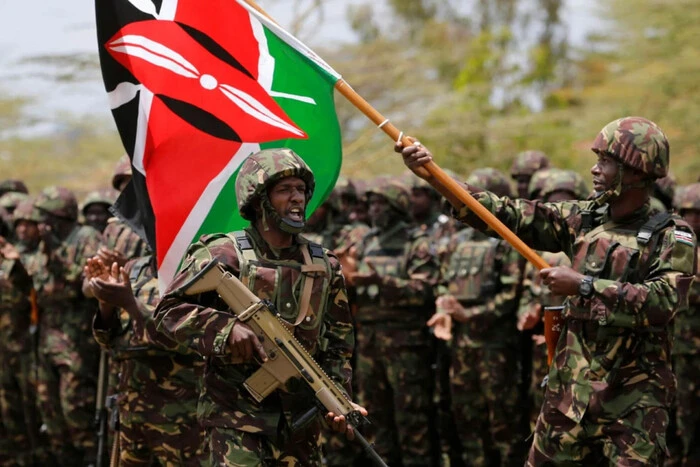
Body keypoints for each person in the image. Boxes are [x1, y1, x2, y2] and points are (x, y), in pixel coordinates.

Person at [398, 116, 697, 465]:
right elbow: (507, 213)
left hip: (634, 405)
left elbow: (665, 301)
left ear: (634, 170)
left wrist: (583, 285)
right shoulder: (584, 218)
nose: (594, 169)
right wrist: (435, 177)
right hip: (570, 396)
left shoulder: (671, 235)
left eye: (605, 161)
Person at [154, 148, 362, 466]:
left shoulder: (324, 264)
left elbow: (338, 345)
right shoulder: (223, 253)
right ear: (259, 200)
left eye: (301, 189)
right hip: (235, 420)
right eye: (284, 190)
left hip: (300, 426)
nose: (297, 198)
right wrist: (226, 329)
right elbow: (168, 312)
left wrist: (339, 399)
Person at [428, 168, 521, 466]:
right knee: (467, 421)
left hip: (495, 350)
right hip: (460, 348)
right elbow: (443, 282)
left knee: (503, 423)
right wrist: (444, 307)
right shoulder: (456, 243)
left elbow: (510, 296)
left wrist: (469, 315)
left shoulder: (507, 241)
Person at [347, 178, 441, 466]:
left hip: (405, 344)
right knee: (374, 416)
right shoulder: (366, 242)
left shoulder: (416, 243)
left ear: (397, 207)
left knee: (412, 417)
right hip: (369, 342)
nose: (374, 209)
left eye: (381, 204)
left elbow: (424, 290)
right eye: (371, 204)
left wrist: (382, 282)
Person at [85, 253, 207, 465]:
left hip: (181, 416)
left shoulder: (196, 269)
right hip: (133, 410)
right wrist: (106, 304)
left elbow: (188, 338)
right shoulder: (133, 268)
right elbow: (112, 343)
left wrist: (131, 304)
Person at [33, 186, 103, 465]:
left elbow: (81, 283)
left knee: (75, 405)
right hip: (48, 339)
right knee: (49, 407)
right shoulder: (45, 243)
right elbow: (41, 284)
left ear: (59, 216)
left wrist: (55, 249)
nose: (41, 224)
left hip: (77, 340)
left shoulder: (85, 237)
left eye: (45, 217)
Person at [669, 182, 700, 466]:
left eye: (698, 214)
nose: (693, 220)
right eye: (687, 213)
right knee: (681, 409)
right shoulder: (674, 250)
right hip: (678, 348)